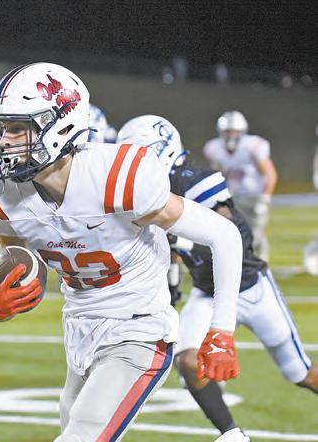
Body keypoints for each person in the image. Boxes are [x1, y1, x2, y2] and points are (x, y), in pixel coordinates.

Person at [0, 63, 243, 442]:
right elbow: (16, 252)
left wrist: (222, 330)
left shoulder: (117, 177)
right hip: (79, 329)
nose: (4, 141)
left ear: (59, 125)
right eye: (1, 128)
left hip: (139, 329)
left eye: (17, 128)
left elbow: (224, 234)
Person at [117, 115, 317, 442]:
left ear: (161, 151)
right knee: (188, 361)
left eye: (137, 155)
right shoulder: (145, 194)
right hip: (207, 292)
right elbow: (169, 251)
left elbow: (231, 234)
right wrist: (169, 283)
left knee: (301, 374)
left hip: (250, 287)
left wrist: (178, 241)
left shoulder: (193, 181)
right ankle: (231, 434)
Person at [203, 111, 278, 261]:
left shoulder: (253, 146)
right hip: (235, 197)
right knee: (235, 232)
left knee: (256, 234)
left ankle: (261, 262)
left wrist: (265, 198)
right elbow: (220, 174)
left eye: (235, 131)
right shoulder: (214, 148)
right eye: (228, 131)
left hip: (255, 196)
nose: (232, 135)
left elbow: (270, 175)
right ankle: (243, 262)